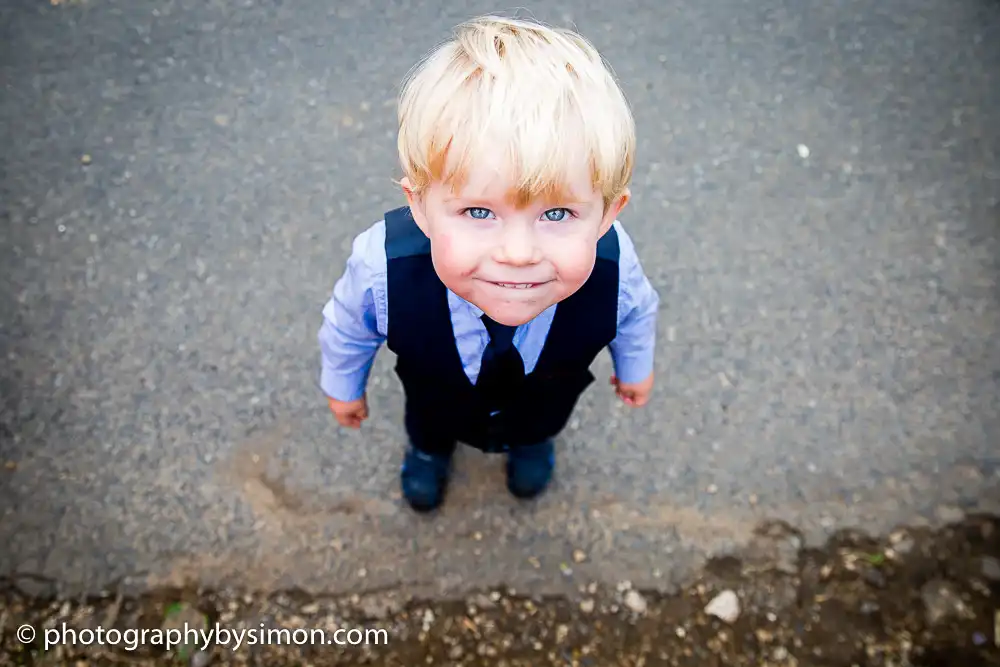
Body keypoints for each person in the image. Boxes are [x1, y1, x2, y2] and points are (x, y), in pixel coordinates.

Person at [317, 14, 660, 512]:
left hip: (546, 397)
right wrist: (343, 384)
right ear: (420, 206)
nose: (518, 254)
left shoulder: (614, 266)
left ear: (608, 213)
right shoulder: (382, 266)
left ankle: (532, 443)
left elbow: (636, 313)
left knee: (541, 416)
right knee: (431, 421)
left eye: (558, 213)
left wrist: (636, 367)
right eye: (478, 211)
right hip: (436, 398)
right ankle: (430, 454)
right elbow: (349, 326)